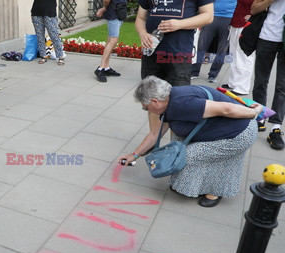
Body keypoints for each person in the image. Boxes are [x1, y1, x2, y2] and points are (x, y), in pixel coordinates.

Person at [119, 76, 260, 207]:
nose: (145, 109)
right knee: (178, 146)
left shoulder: (183, 103)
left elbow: (227, 109)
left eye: (145, 107)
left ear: (155, 101)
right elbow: (156, 133)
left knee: (187, 156)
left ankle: (215, 190)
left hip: (239, 135)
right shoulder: (169, 100)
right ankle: (194, 185)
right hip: (221, 128)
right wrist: (134, 155)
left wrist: (254, 113)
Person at [135, 0, 214, 87]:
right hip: (151, 52)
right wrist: (143, 33)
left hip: (179, 54)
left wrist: (180, 24)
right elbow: (140, 18)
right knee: (150, 95)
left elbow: (208, 16)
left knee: (178, 96)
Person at [251, 0, 285, 150]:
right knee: (260, 81)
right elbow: (254, 9)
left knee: (282, 86)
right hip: (267, 37)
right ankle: (260, 117)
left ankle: (275, 128)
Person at [191, 0, 238, 83]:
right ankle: (194, 72)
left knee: (222, 50)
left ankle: (213, 75)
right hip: (211, 16)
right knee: (201, 46)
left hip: (228, 18)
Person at [222, 0, 255, 97]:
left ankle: (243, 87)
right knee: (234, 55)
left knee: (244, 57)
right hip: (236, 22)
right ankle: (234, 82)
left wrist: (253, 15)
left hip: (246, 25)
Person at [94, 0, 127, 83]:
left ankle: (106, 67)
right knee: (113, 40)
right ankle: (100, 68)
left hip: (119, 12)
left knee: (110, 40)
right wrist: (104, 8)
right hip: (114, 13)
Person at [31, 0, 65, 66]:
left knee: (54, 35)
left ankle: (60, 56)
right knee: (39, 36)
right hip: (36, 11)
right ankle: (43, 56)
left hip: (49, 12)